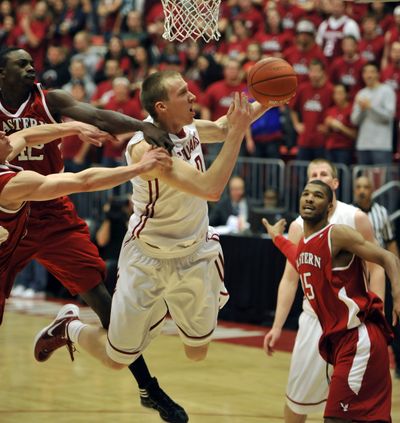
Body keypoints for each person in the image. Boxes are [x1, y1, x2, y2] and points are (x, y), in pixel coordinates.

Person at [33, 72, 284, 413]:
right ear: (162, 106)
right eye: (184, 92)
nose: (193, 95)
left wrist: (265, 101)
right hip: (148, 259)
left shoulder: (189, 127)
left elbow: (225, 126)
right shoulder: (146, 149)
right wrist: (238, 134)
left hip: (194, 253)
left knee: (197, 352)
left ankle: (162, 306)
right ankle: (70, 327)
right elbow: (211, 187)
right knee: (118, 358)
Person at [0, 46, 188, 423]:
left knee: (103, 301)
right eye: (20, 64)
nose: (31, 67)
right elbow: (28, 141)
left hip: (50, 212)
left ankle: (147, 387)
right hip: (7, 212)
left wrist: (141, 125)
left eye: (31, 61)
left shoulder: (49, 99)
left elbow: (98, 116)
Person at [0, 121, 171, 323]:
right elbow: (83, 181)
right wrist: (139, 167)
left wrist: (75, 127)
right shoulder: (11, 185)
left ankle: (73, 332)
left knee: (92, 284)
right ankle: (75, 332)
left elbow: (27, 135)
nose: (4, 132)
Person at [263, 179, 400, 422]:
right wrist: (276, 237)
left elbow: (388, 258)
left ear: (329, 207)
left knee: (336, 418)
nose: (309, 198)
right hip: (340, 342)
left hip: (359, 339)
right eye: (306, 193)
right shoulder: (305, 244)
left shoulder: (337, 234)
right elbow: (297, 255)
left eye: (317, 195)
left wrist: (397, 296)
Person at [353, 175, 400, 378]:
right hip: (355, 275)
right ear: (355, 190)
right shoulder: (348, 213)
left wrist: (395, 272)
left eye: (366, 187)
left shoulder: (382, 213)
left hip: (379, 274)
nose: (362, 190)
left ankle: (397, 363)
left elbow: (390, 244)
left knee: (389, 319)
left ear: (372, 190)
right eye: (359, 187)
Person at [351, 62, 396, 165]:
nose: (368, 75)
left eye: (371, 72)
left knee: (382, 179)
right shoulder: (361, 93)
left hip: (381, 145)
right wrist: (362, 109)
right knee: (364, 179)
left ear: (378, 74)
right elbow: (354, 120)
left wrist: (371, 107)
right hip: (363, 145)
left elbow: (389, 116)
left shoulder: (387, 91)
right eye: (365, 72)